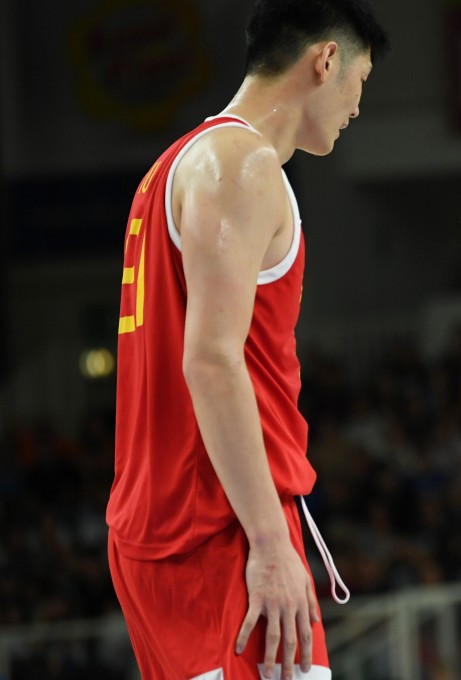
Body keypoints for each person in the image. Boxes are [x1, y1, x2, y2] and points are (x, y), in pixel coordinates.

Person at [106, 2, 389, 679]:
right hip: (218, 523)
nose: (357, 107)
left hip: (167, 519)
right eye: (360, 82)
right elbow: (210, 359)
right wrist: (266, 540)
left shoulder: (173, 165)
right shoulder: (242, 165)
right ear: (326, 61)